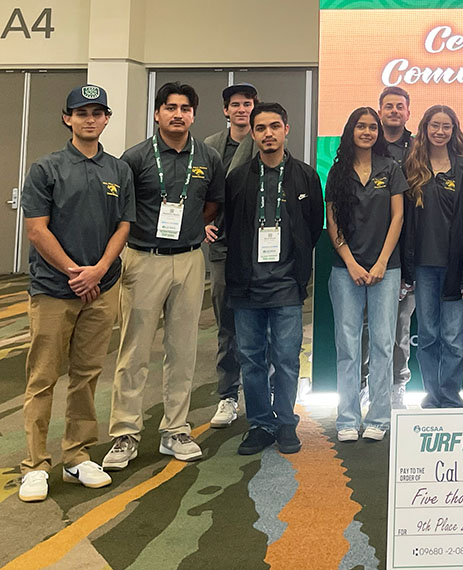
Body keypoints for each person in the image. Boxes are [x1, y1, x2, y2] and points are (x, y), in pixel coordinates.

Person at [18, 85, 135, 502]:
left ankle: (76, 454)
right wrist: (73, 271)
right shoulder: (45, 169)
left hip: (101, 289)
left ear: (106, 119)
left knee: (86, 376)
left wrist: (99, 270)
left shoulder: (118, 170)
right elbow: (36, 229)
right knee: (43, 376)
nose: (90, 119)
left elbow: (123, 225)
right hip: (54, 289)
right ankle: (34, 463)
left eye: (97, 112)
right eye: (81, 112)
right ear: (67, 118)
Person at [103, 82, 225, 470]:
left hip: (189, 259)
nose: (178, 114)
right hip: (143, 259)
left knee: (183, 348)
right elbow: (123, 209)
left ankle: (176, 430)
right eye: (170, 107)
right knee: (134, 349)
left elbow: (212, 205)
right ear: (157, 114)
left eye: (185, 108)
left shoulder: (206, 156)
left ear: (193, 114)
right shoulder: (135, 157)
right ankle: (125, 433)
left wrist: (188, 229)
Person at [223, 102, 324, 455]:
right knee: (251, 358)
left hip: (286, 285)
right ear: (253, 133)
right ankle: (260, 423)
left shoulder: (305, 176)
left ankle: (285, 422)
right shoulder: (237, 178)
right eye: (261, 128)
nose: (269, 134)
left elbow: (313, 227)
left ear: (286, 129)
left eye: (275, 126)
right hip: (247, 285)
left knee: (286, 357)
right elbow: (229, 225)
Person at [326, 107, 406, 440]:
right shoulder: (337, 172)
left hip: (385, 269)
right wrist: (351, 263)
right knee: (347, 343)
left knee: (384, 344)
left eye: (373, 127)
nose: (368, 131)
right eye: (361, 126)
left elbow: (398, 217)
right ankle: (346, 419)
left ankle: (378, 418)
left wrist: (382, 262)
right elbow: (333, 222)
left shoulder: (390, 169)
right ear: (351, 130)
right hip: (347, 270)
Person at [402, 105, 463, 408]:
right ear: (424, 128)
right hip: (422, 267)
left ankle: (449, 396)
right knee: (428, 335)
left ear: (454, 130)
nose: (440, 131)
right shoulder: (410, 167)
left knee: (452, 338)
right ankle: (432, 395)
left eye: (446, 126)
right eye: (435, 125)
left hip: (455, 268)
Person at [203, 83, 260, 429]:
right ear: (226, 111)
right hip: (223, 247)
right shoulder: (210, 147)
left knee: (262, 320)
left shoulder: (266, 138)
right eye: (235, 105)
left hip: (260, 248)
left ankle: (263, 393)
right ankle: (227, 395)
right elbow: (199, 193)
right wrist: (201, 225)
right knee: (227, 323)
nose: (242, 110)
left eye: (247, 104)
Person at [378, 86, 414, 409]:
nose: (393, 111)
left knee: (401, 326)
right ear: (380, 111)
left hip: (410, 250)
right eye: (388, 106)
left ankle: (397, 385)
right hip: (371, 254)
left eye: (399, 106)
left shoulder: (419, 149)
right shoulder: (366, 146)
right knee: (370, 326)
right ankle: (368, 384)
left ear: (407, 113)